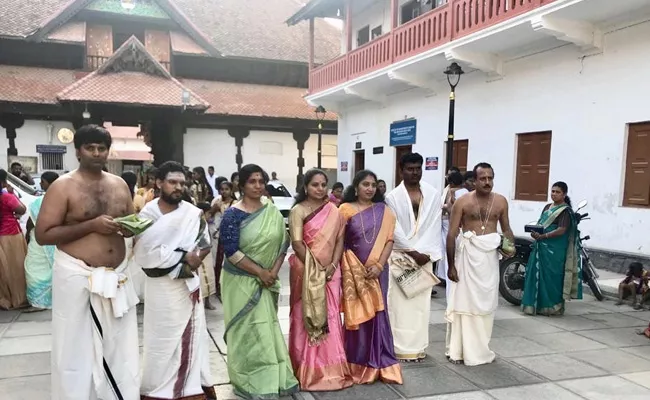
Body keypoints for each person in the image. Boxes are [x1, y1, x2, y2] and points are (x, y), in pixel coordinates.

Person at [34, 125, 140, 399]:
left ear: (108, 151)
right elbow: (43, 235)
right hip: (77, 276)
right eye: (90, 148)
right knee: (75, 347)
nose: (96, 153)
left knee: (119, 346)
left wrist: (130, 228)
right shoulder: (63, 186)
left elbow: (129, 221)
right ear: (77, 151)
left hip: (117, 275)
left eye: (101, 148)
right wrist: (91, 225)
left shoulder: (119, 185)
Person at [134, 161, 216, 400]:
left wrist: (195, 258)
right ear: (159, 183)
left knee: (188, 335)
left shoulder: (192, 213)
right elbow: (143, 254)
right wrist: (182, 256)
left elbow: (205, 244)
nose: (178, 187)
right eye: (173, 182)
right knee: (160, 338)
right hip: (158, 286)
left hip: (185, 287)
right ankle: (156, 387)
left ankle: (188, 388)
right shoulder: (147, 213)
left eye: (182, 182)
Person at [219, 164, 299, 399]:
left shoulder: (271, 210)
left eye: (261, 181)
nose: (257, 186)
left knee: (267, 328)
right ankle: (249, 379)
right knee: (247, 330)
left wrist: (272, 271)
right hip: (241, 281)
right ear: (241, 185)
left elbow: (283, 242)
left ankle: (273, 377)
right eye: (252, 181)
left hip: (267, 279)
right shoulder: (233, 214)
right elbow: (231, 251)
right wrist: (259, 272)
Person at [288, 169, 353, 391]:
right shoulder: (298, 210)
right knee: (304, 314)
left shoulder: (333, 210)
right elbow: (297, 243)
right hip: (305, 270)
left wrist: (333, 266)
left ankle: (332, 369)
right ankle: (307, 370)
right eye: (314, 184)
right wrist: (316, 270)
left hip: (331, 273)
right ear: (305, 187)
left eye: (323, 184)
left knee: (331, 316)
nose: (320, 188)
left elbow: (339, 240)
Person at [445, 162, 515, 366]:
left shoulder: (501, 201)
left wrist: (510, 247)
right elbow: (451, 234)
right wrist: (451, 265)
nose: (487, 182)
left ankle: (480, 349)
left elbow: (507, 228)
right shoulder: (462, 202)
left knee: (486, 304)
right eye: (482, 178)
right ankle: (458, 350)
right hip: (467, 257)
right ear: (473, 181)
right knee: (464, 303)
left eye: (490, 178)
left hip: (489, 259)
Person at [339, 170, 403, 384]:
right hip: (353, 272)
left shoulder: (384, 211)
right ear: (356, 187)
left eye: (373, 185)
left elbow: (390, 241)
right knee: (356, 313)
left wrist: (379, 265)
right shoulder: (345, 210)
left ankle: (379, 361)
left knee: (378, 313)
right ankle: (356, 361)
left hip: (377, 272)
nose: (369, 188)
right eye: (365, 184)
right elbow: (339, 241)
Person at [385, 153, 442, 362]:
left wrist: (424, 254)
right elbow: (394, 228)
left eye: (418, 168)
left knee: (420, 305)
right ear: (401, 170)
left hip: (424, 258)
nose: (415, 172)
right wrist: (412, 252)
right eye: (410, 169)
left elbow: (435, 224)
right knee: (399, 304)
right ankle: (399, 347)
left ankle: (417, 347)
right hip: (401, 257)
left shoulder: (433, 194)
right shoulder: (392, 197)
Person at [521, 182, 582, 316]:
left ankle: (552, 307)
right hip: (540, 246)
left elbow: (562, 230)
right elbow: (540, 223)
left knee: (552, 277)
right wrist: (534, 232)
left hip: (554, 250)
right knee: (536, 274)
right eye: (552, 191)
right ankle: (536, 306)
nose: (554, 194)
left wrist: (544, 236)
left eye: (557, 192)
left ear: (564, 194)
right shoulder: (547, 207)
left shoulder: (565, 210)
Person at [24, 171, 59, 311]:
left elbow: (30, 223)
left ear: (49, 183)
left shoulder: (41, 201)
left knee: (32, 269)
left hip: (40, 242)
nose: (40, 184)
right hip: (53, 240)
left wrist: (27, 236)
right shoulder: (61, 199)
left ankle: (38, 302)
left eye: (42, 182)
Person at [0, 169, 28, 310]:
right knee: (14, 268)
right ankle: (18, 299)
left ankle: (3, 298)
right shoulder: (6, 197)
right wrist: (11, 194)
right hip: (9, 235)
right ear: (3, 182)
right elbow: (22, 209)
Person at [439, 171, 467, 297]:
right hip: (461, 230)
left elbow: (451, 209)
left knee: (450, 260)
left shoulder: (454, 193)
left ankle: (452, 294)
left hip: (454, 229)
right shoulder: (468, 193)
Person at [208, 180, 236, 301]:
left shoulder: (235, 203)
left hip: (231, 236)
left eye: (226, 189)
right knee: (219, 261)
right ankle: (218, 288)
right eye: (222, 189)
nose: (224, 191)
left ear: (231, 190)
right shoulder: (217, 202)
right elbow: (208, 216)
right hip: (219, 237)